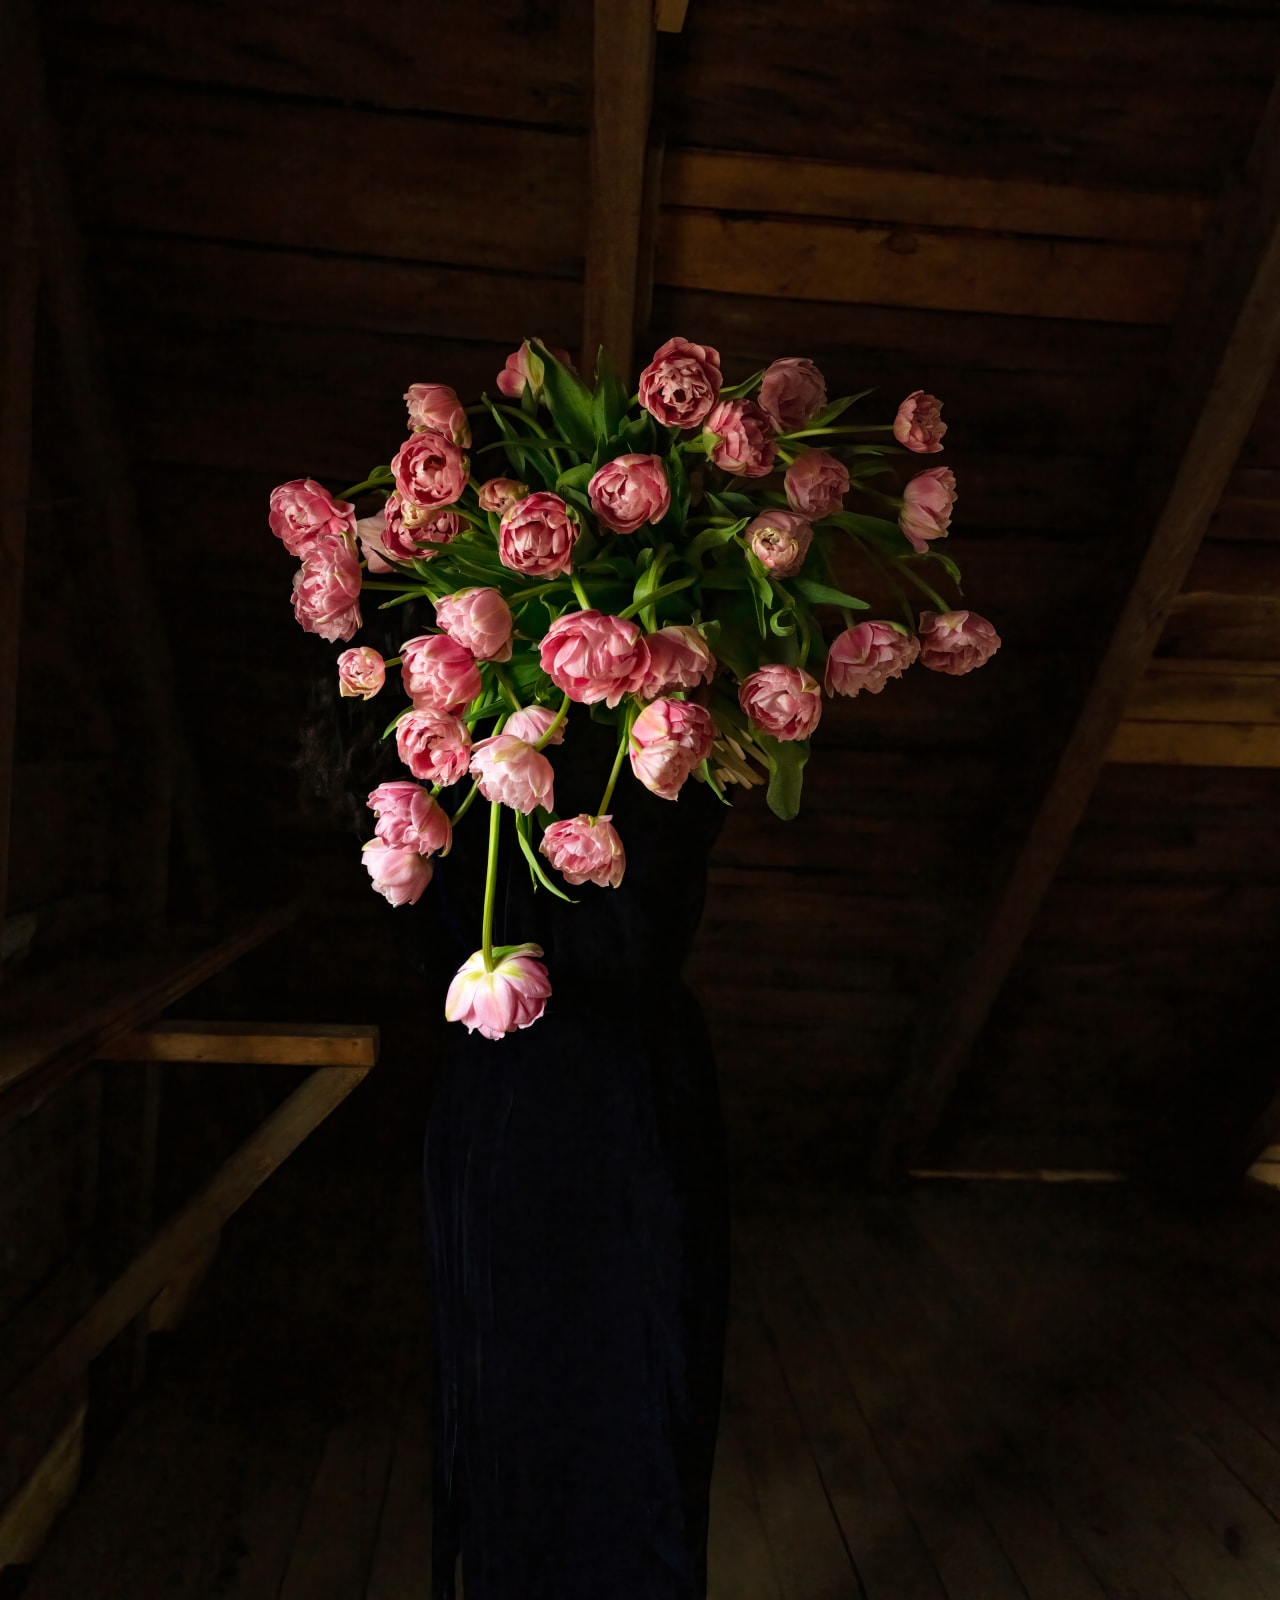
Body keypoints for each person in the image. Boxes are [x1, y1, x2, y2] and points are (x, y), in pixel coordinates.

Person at [302, 608, 729, 1598]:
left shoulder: (659, 691)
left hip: (564, 1089)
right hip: (569, 1087)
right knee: (554, 1401)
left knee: (607, 1397)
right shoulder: (434, 714)